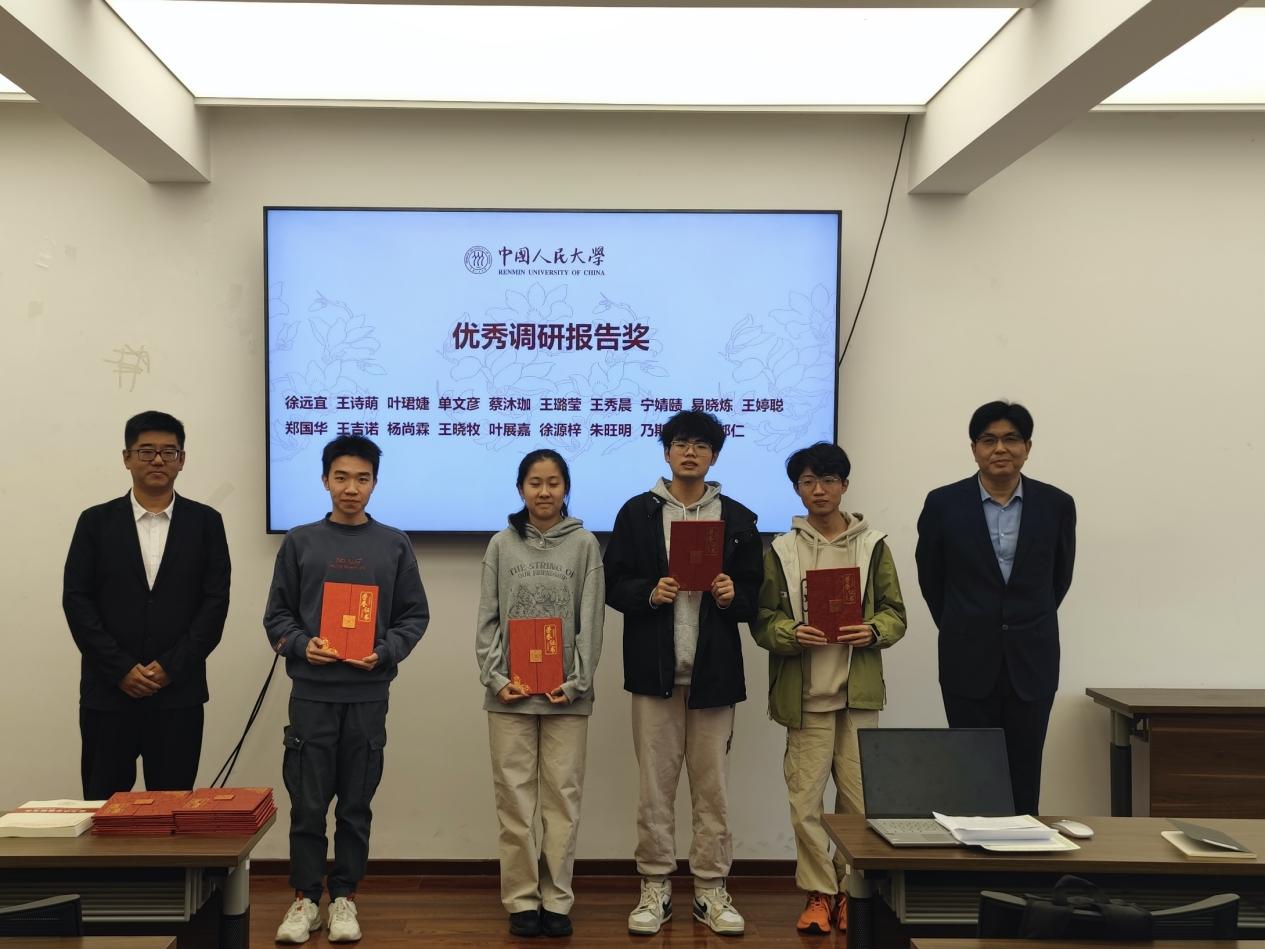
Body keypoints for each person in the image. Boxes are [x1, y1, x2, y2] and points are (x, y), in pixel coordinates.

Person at [603, 410, 763, 937]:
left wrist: (733, 595)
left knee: (712, 790)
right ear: (667, 451)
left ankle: (711, 889)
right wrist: (650, 593)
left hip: (714, 677)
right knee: (654, 788)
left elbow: (756, 597)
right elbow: (613, 584)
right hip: (655, 675)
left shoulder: (738, 518)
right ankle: (655, 885)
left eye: (700, 445)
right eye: (680, 443)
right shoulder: (637, 513)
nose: (689, 452)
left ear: (714, 456)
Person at [264, 435, 429, 945]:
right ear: (325, 480)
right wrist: (300, 644)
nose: (351, 488)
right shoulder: (300, 541)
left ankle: (345, 898)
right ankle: (304, 900)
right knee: (308, 805)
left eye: (362, 478)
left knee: (355, 805)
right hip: (312, 694)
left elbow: (414, 616)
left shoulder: (394, 544)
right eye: (341, 477)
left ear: (374, 483)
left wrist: (385, 651)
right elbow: (277, 616)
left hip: (367, 695)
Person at [752, 442, 906, 936]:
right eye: (808, 481)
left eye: (828, 480)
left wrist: (873, 630)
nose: (819, 490)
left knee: (858, 805)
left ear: (844, 485)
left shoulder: (873, 545)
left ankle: (850, 892)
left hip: (857, 695)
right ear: (797, 489)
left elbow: (895, 613)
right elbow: (763, 620)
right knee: (805, 804)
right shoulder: (781, 549)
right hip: (805, 698)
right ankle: (818, 893)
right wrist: (790, 633)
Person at [915, 401, 1076, 816]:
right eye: (988, 440)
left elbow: (1058, 580)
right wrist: (965, 622)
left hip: (1032, 660)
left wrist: (1023, 620)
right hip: (966, 658)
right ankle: (973, 857)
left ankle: (1022, 854)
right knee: (972, 775)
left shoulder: (1056, 504)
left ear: (1027, 447)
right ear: (974, 449)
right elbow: (932, 579)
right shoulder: (943, 504)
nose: (1000, 448)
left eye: (1011, 439)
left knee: (1025, 771)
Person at [63, 410, 230, 800]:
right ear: (127, 458)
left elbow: (214, 604)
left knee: (171, 810)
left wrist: (171, 667)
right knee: (104, 807)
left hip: (178, 694)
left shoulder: (206, 523)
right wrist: (120, 669)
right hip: (108, 692)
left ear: (182, 460)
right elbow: (77, 600)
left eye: (169, 452)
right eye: (146, 451)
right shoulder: (95, 522)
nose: (158, 460)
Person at [474, 449, 605, 938]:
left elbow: (591, 620)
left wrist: (576, 682)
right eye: (535, 482)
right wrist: (495, 677)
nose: (544, 491)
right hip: (509, 695)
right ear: (520, 489)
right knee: (514, 801)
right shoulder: (500, 545)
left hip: (566, 697)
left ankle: (557, 899)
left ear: (565, 488)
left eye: (553, 482)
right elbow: (487, 618)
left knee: (562, 801)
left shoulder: (585, 544)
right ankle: (522, 899)